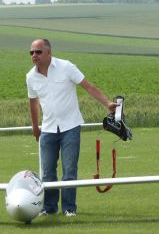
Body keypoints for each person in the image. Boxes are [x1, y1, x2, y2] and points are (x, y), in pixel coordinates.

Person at [26, 38, 117, 217]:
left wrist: (107, 103)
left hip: (71, 127)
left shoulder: (66, 67)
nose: (34, 55)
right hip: (48, 129)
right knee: (47, 172)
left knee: (69, 170)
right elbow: (33, 103)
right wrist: (35, 126)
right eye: (31, 52)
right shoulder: (30, 76)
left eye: (38, 52)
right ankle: (49, 208)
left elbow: (89, 87)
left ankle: (69, 208)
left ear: (48, 52)